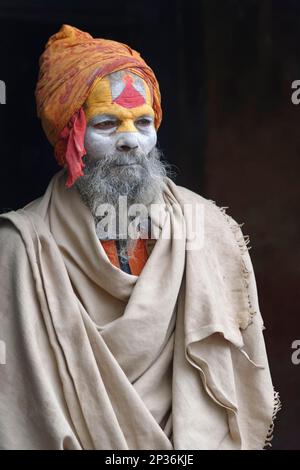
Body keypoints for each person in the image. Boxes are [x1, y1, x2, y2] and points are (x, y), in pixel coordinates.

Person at [0, 24, 280, 450]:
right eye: (107, 124)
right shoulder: (19, 247)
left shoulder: (208, 227)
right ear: (68, 138)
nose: (131, 140)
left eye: (143, 122)